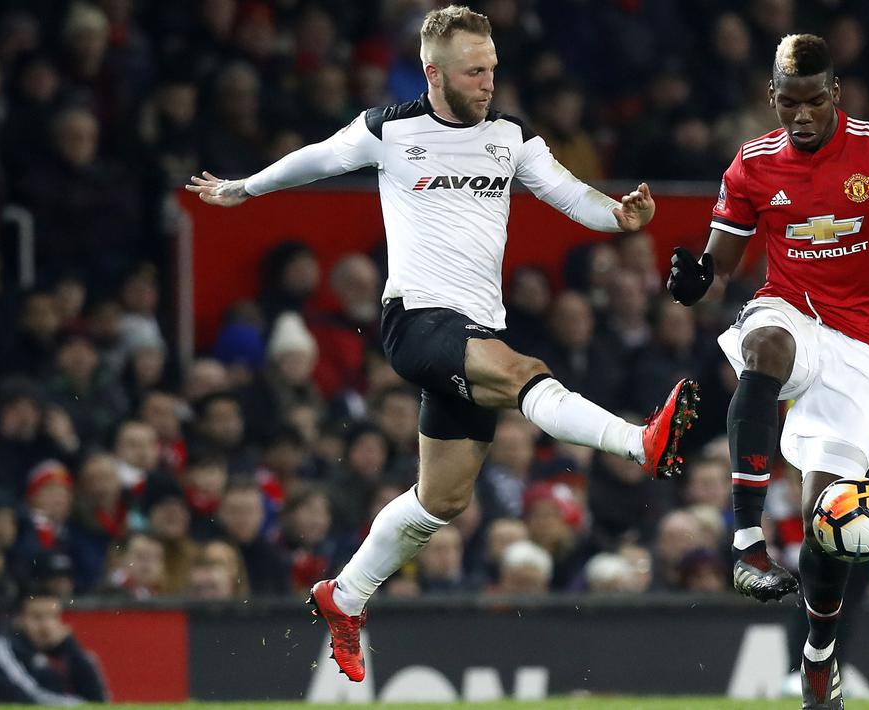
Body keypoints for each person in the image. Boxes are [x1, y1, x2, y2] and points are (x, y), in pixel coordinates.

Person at [186, 4, 698, 683]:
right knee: (525, 373)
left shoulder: (510, 136)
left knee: (443, 500)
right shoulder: (390, 129)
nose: (488, 82)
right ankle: (640, 444)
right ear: (434, 72)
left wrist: (619, 215)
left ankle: (344, 595)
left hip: (474, 328)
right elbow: (316, 160)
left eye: (492, 68)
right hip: (417, 321)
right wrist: (241, 189)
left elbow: (571, 196)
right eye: (474, 70)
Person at [667, 34, 869, 709]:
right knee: (763, 348)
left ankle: (819, 656)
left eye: (813, 102)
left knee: (831, 517)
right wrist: (694, 276)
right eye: (788, 103)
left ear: (834, 96)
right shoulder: (751, 165)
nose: (801, 116)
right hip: (787, 310)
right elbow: (721, 264)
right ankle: (746, 543)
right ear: (771, 98)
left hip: (859, 348)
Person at [0, 592, 109, 703]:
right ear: (19, 620)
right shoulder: (4, 649)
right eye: (37, 617)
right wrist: (79, 705)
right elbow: (28, 697)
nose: (46, 625)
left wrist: (74, 651)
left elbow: (100, 700)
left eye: (53, 616)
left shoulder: (70, 651)